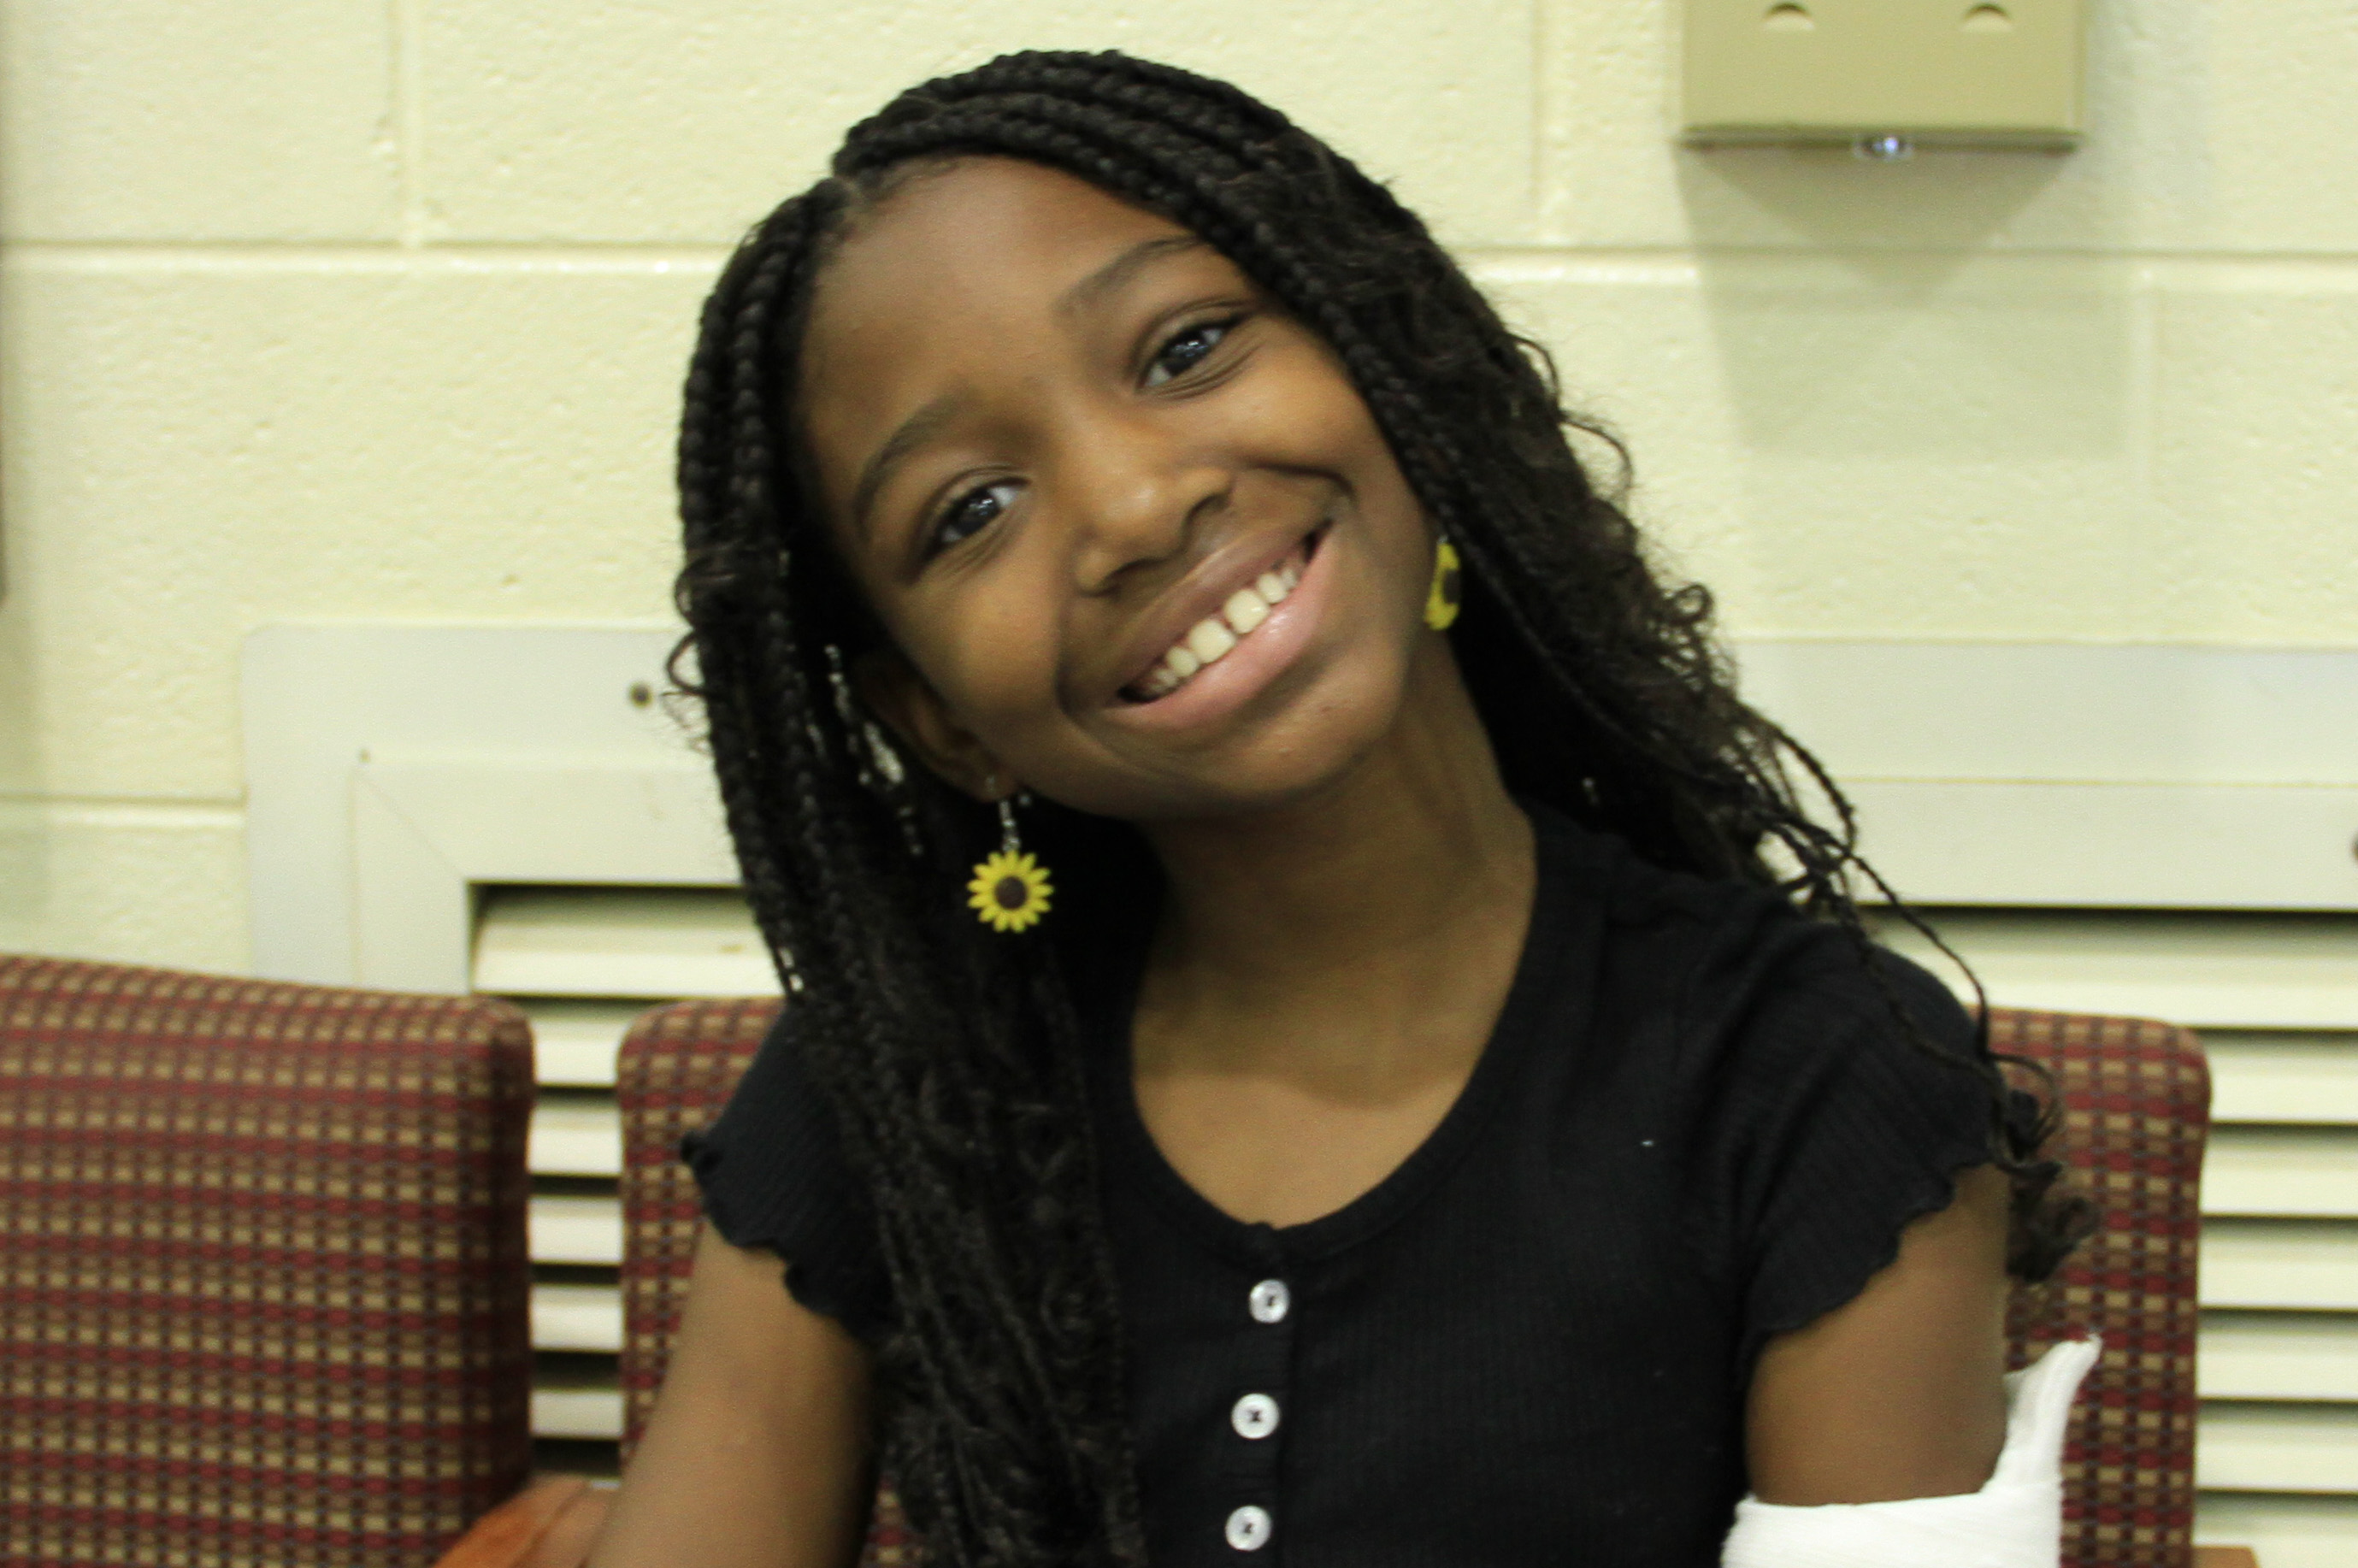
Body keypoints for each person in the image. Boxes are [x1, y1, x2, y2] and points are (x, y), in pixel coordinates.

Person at [591, 50, 2089, 1568]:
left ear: (1392, 369)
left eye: (1182, 349)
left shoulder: (1818, 1076)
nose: (1130, 505)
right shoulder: (907, 1072)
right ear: (939, 723)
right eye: (971, 509)